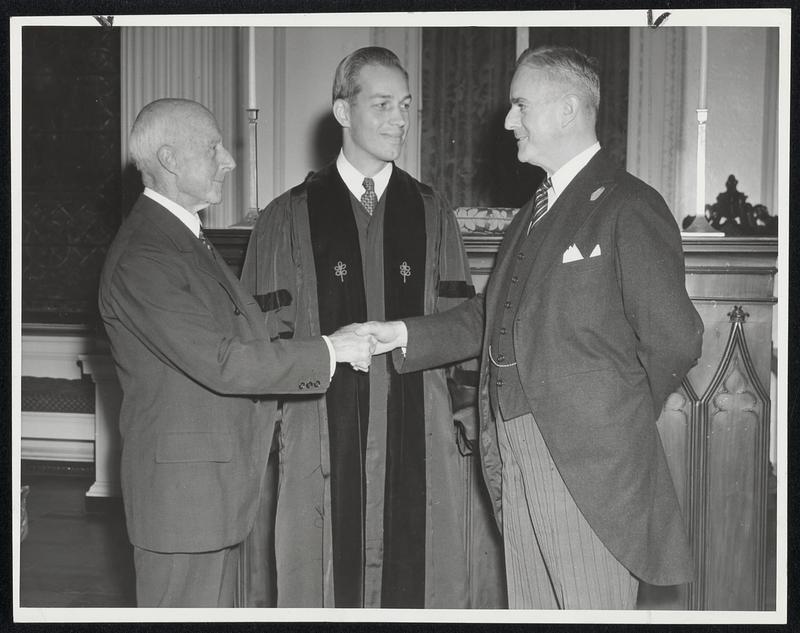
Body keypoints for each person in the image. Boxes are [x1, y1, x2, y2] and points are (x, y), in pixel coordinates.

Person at [359, 46, 705, 609]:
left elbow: (677, 337)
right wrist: (399, 334)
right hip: (514, 443)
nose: (507, 121)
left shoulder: (627, 204)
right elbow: (488, 316)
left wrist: (613, 420)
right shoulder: (534, 210)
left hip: (588, 461)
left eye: (520, 105)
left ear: (567, 110)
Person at [240, 47, 503, 608]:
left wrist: (463, 423)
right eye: (382, 104)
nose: (399, 120)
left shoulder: (432, 211)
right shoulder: (286, 216)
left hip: (422, 434)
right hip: (319, 434)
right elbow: (260, 341)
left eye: (405, 106)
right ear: (342, 111)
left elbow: (463, 325)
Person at [98, 98, 373, 607]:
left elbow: (241, 339)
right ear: (171, 159)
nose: (227, 159)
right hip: (182, 500)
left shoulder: (179, 239)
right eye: (213, 148)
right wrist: (331, 351)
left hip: (206, 490)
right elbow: (224, 361)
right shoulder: (147, 255)